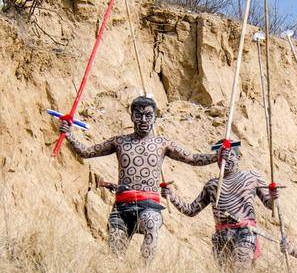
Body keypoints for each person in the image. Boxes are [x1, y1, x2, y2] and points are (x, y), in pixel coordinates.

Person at [59, 96, 216, 260]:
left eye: (148, 115)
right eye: (138, 115)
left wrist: (217, 156)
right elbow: (86, 152)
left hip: (149, 205)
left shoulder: (162, 144)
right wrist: (69, 134)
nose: (143, 119)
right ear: (132, 116)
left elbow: (192, 158)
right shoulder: (119, 142)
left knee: (151, 222)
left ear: (155, 117)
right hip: (122, 206)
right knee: (115, 254)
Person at [161, 139, 278, 272]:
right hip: (221, 236)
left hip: (245, 232)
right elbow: (191, 210)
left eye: (230, 156)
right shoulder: (212, 185)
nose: (226, 161)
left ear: (238, 157)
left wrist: (273, 196)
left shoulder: (251, 177)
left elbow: (269, 205)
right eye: (221, 158)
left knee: (241, 267)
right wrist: (172, 196)